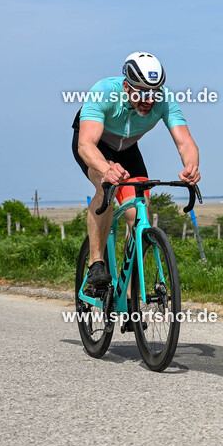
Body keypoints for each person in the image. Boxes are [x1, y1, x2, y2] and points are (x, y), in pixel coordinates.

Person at [71, 52, 201, 292]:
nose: (148, 99)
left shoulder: (164, 100)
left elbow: (185, 142)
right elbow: (86, 145)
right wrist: (105, 169)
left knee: (138, 213)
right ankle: (96, 263)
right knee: (105, 186)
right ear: (125, 86)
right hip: (96, 146)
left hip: (128, 149)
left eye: (154, 92)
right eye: (141, 92)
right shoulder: (104, 92)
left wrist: (191, 166)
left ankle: (129, 293)